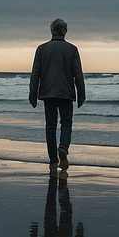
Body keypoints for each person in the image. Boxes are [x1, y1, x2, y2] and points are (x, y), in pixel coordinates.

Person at [29, 18, 86, 178]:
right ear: (65, 31)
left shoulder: (42, 49)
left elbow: (35, 74)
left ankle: (53, 160)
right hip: (66, 93)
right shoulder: (72, 50)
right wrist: (81, 94)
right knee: (66, 123)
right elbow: (78, 75)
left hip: (48, 93)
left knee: (50, 126)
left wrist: (33, 94)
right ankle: (63, 148)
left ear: (51, 31)